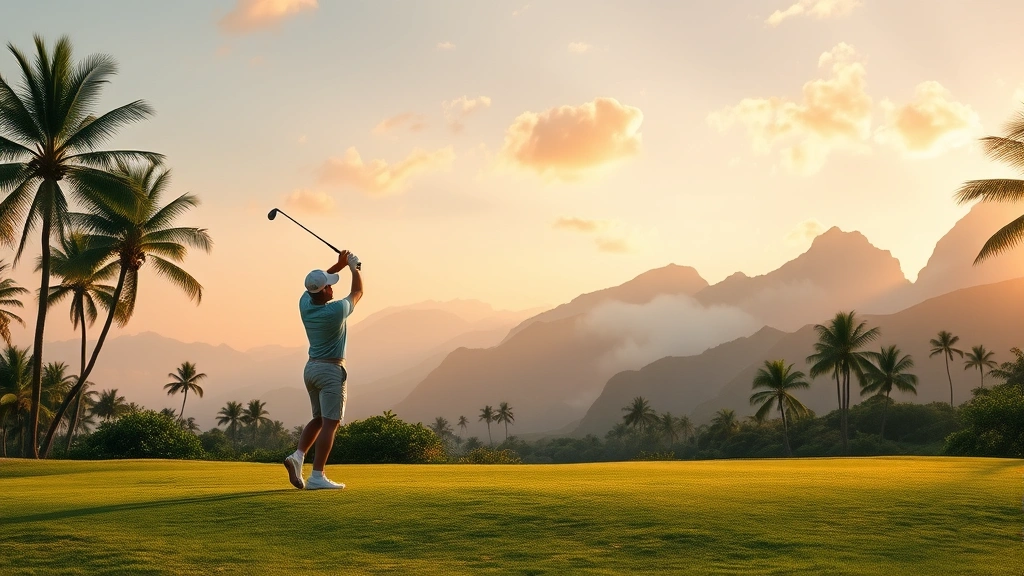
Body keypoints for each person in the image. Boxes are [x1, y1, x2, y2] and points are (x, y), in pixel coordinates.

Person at [284, 249, 362, 490]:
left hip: (311, 370)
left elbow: (316, 283)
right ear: (324, 291)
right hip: (330, 371)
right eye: (329, 286)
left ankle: (298, 456)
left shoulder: (305, 302)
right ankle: (318, 476)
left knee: (318, 418)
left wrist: (338, 266)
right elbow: (358, 292)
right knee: (330, 422)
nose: (332, 288)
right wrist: (354, 268)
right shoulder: (335, 310)